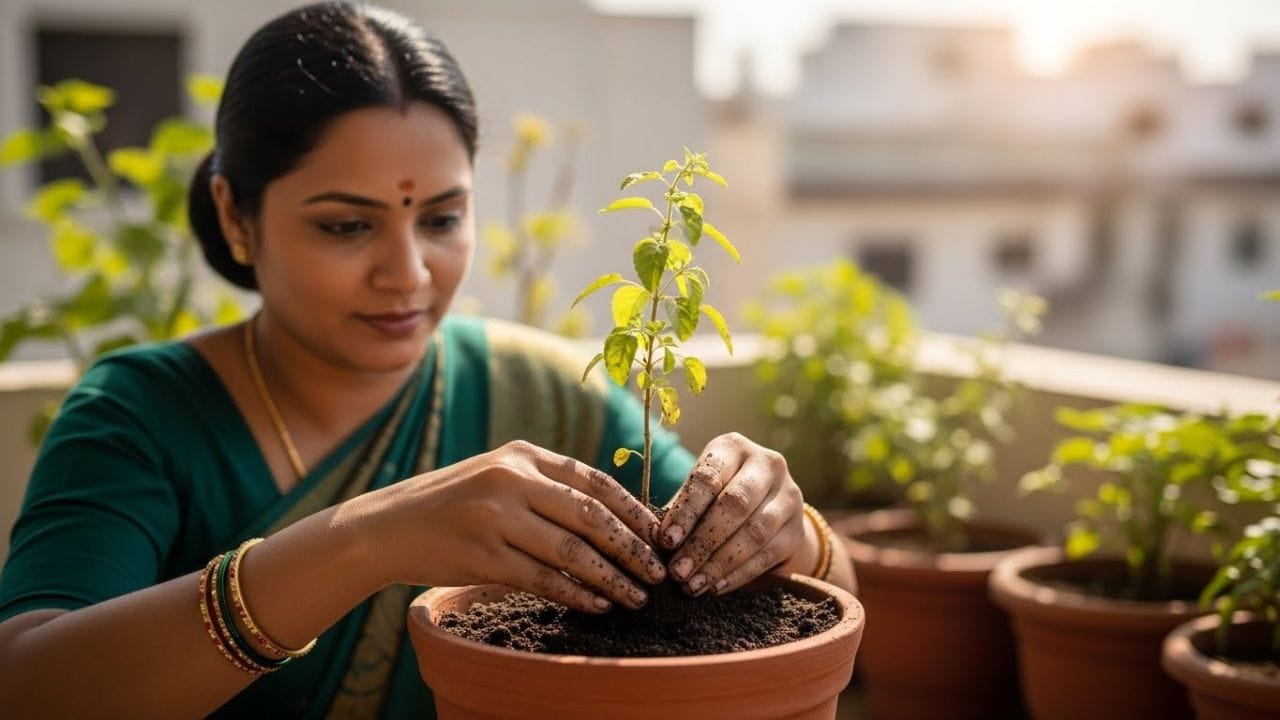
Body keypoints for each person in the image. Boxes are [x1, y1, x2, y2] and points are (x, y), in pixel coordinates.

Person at [0, 2, 855, 717]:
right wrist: (362, 542)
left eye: (442, 219)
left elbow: (820, 592)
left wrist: (791, 538)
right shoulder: (141, 416)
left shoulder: (543, 397)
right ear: (234, 215)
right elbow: (29, 684)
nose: (407, 273)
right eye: (346, 225)